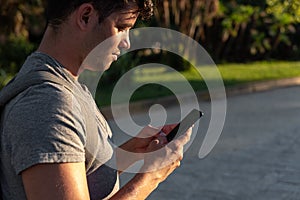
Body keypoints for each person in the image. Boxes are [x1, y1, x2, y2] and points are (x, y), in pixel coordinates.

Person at [0, 0, 192, 199]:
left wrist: (132, 152)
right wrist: (151, 177)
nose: (127, 42)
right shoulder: (47, 105)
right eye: (121, 27)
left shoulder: (64, 85)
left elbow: (81, 171)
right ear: (85, 17)